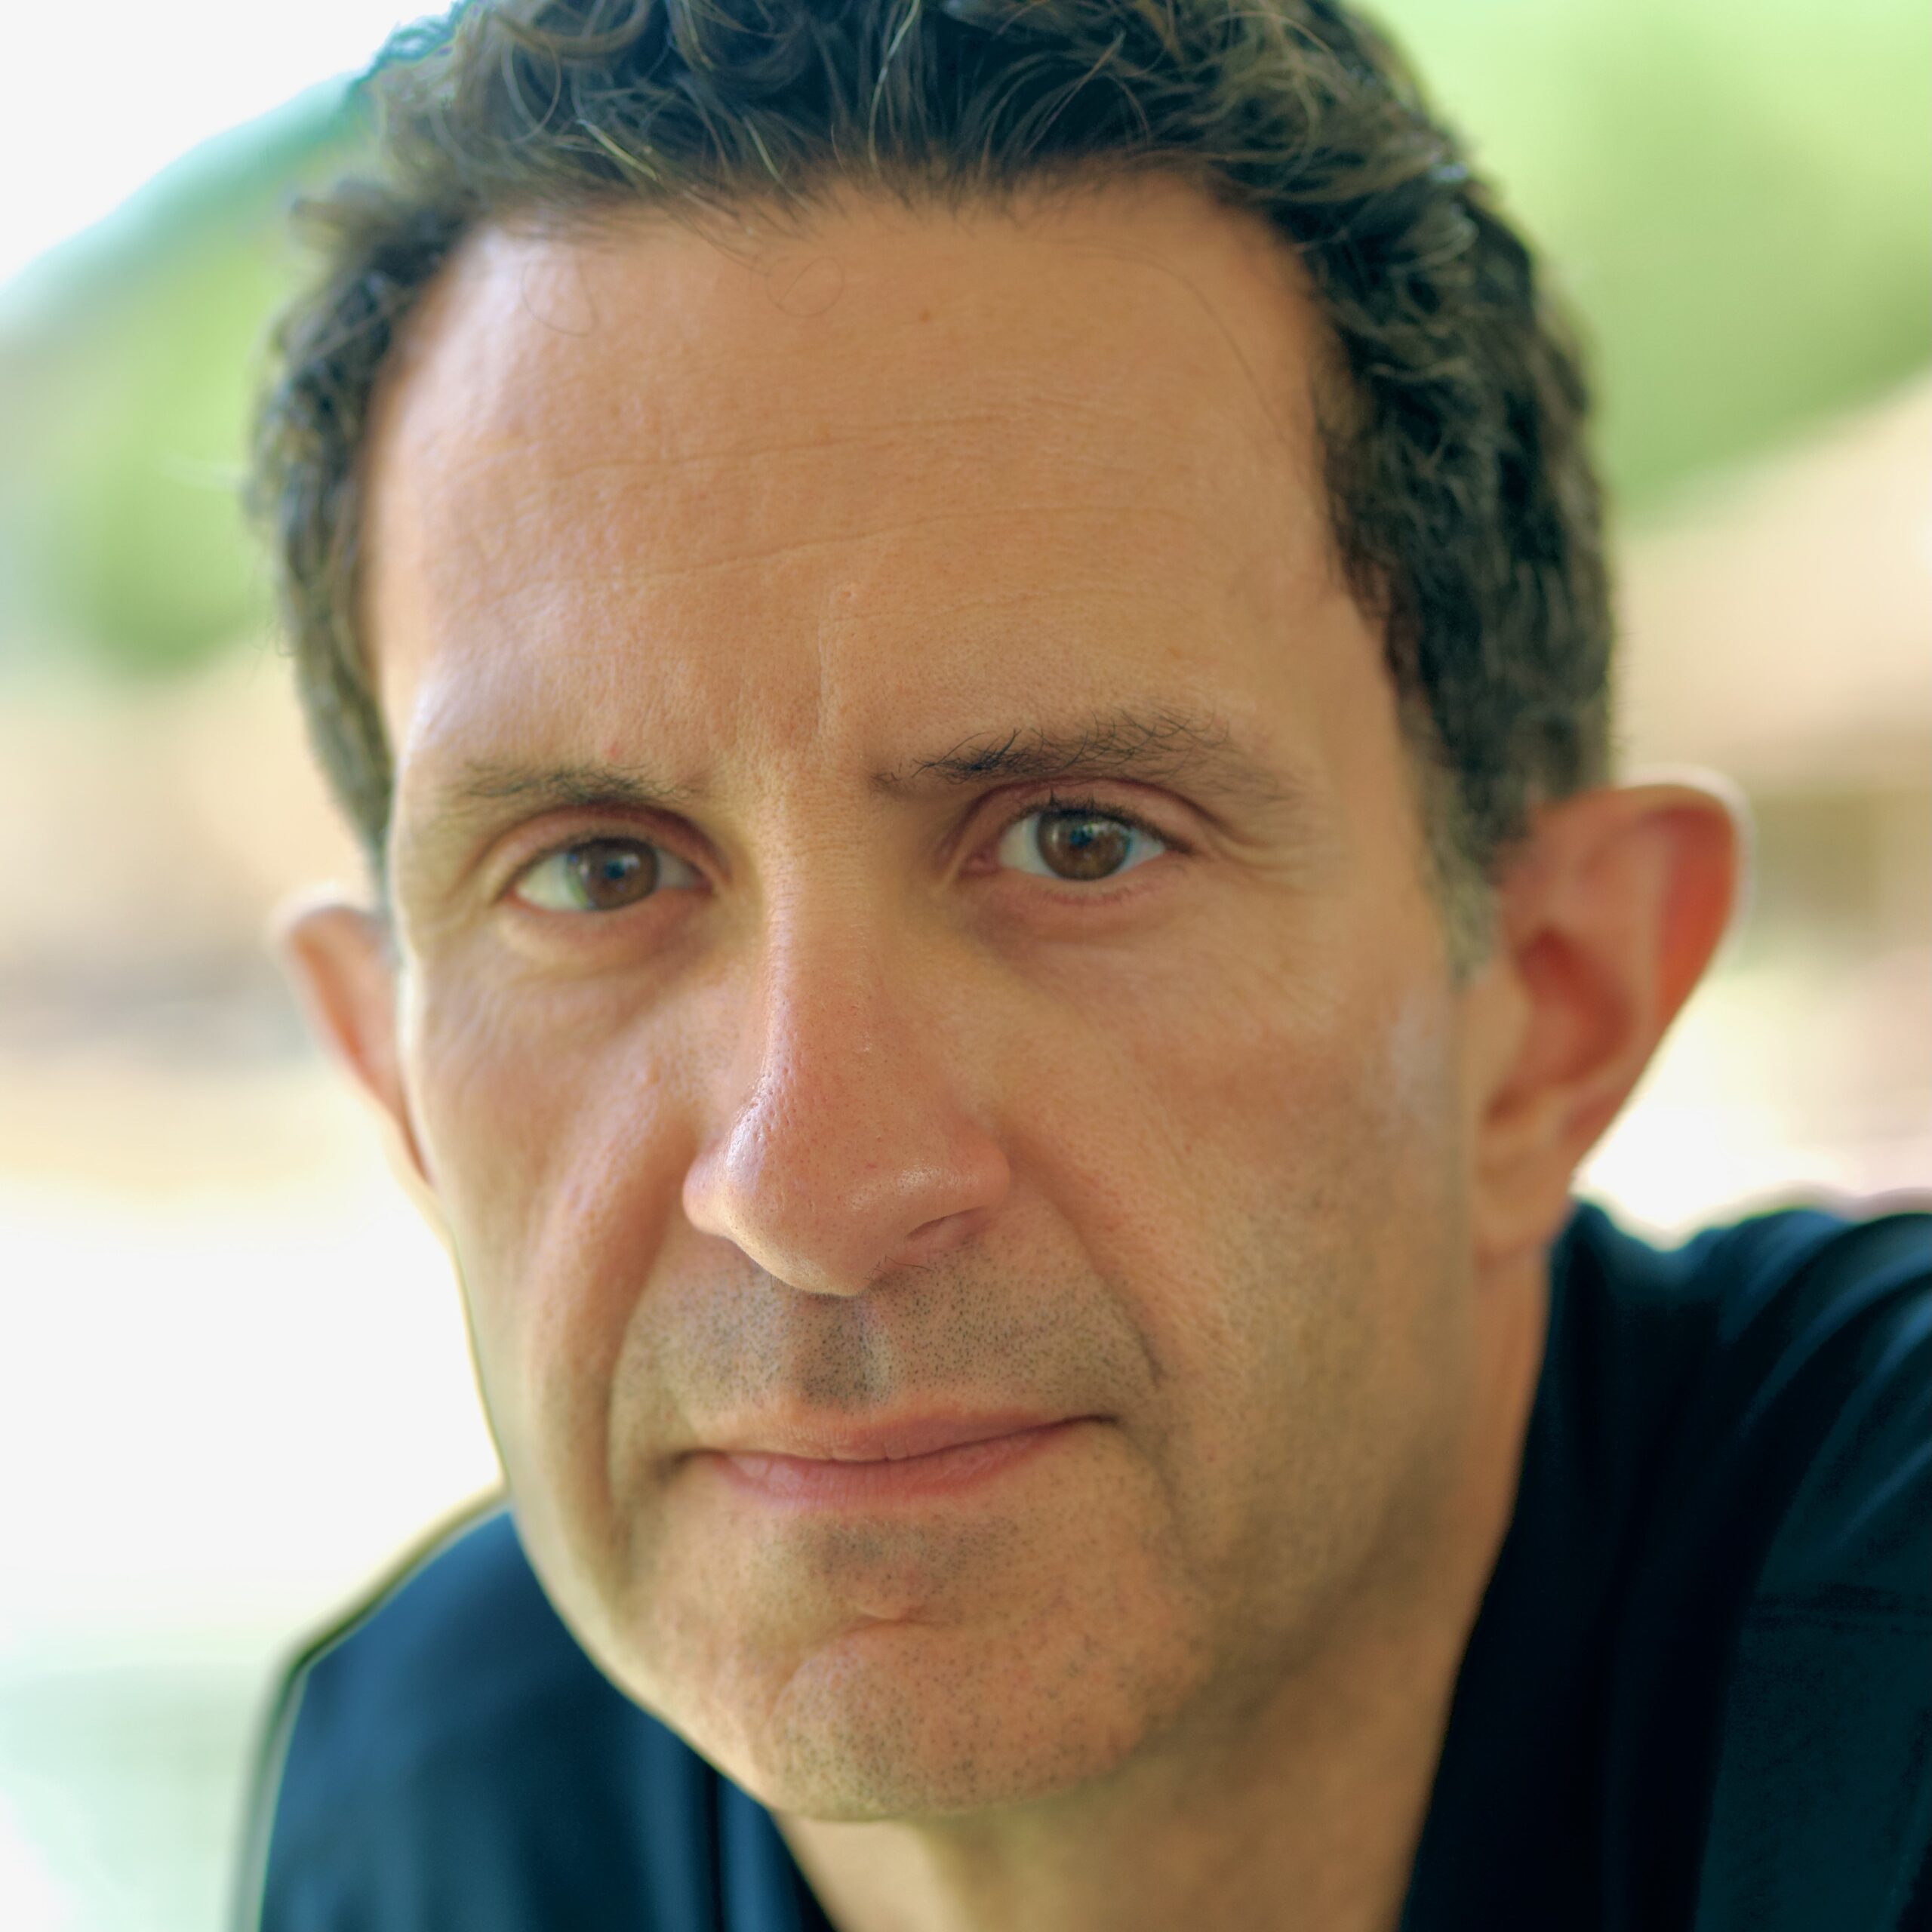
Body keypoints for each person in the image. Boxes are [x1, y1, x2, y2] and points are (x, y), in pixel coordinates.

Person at [233, 2, 1932, 1927]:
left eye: (1079, 839)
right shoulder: (433, 1803)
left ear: (1552, 1004)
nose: (807, 1189)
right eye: (598, 870)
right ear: (393, 1077)